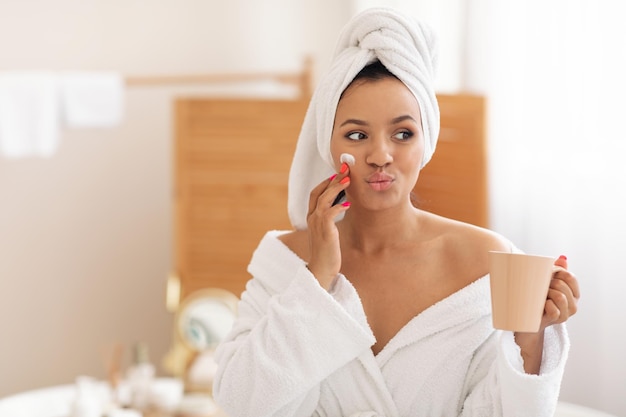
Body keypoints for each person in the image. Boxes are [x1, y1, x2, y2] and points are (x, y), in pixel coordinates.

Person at [212, 7, 580, 417]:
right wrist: (316, 279)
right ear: (328, 145)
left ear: (427, 141)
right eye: (357, 134)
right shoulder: (287, 263)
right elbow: (239, 402)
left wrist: (529, 341)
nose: (381, 155)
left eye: (403, 134)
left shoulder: (482, 261)